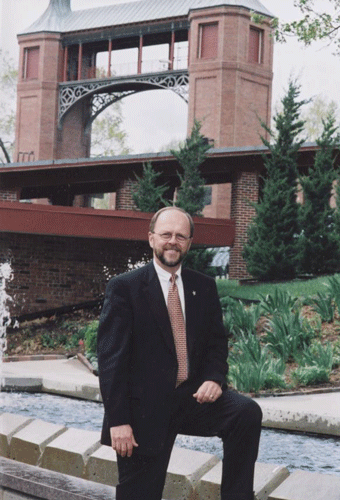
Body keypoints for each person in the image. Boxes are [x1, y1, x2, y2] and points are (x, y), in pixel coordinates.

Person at [97, 206, 262, 500]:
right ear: (151, 239)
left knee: (245, 413)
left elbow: (216, 343)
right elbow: (111, 361)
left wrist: (214, 378)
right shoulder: (125, 288)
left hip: (191, 400)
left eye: (181, 236)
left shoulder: (204, 286)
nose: (173, 241)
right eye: (166, 235)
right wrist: (118, 420)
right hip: (143, 411)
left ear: (189, 242)